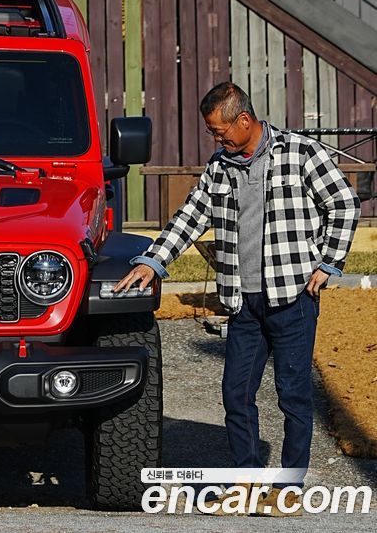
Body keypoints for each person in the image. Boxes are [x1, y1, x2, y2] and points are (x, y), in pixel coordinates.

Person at [115, 82, 360, 515]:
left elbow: (343, 203)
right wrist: (153, 261)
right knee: (235, 395)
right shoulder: (220, 166)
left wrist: (327, 263)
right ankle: (245, 482)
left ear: (244, 120)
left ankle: (289, 488)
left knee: (293, 395)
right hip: (242, 302)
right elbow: (190, 216)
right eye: (212, 132)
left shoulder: (301, 153)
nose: (216, 138)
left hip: (293, 297)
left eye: (219, 130)